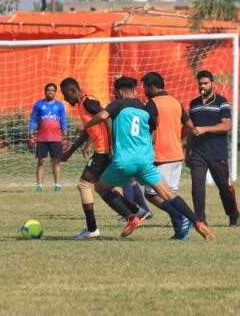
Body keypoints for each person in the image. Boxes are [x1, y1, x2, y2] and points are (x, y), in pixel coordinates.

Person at [82, 76, 215, 240]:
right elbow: (152, 131)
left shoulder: (118, 104)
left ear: (119, 92)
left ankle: (131, 217)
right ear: (135, 90)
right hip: (146, 161)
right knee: (167, 193)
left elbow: (103, 116)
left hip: (125, 160)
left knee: (101, 187)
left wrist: (85, 126)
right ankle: (197, 222)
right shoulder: (144, 108)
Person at [141, 71, 194, 240]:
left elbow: (149, 130)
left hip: (161, 155)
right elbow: (190, 125)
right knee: (169, 194)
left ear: (152, 87)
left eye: (145, 88)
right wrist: (176, 138)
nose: (144, 91)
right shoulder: (175, 101)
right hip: (176, 154)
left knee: (152, 194)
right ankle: (180, 232)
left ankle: (183, 217)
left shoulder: (153, 104)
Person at [59, 78, 113, 240]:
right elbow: (87, 131)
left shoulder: (88, 102)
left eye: (65, 94)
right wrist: (70, 151)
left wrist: (112, 146)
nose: (65, 99)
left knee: (84, 185)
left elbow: (106, 117)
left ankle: (92, 228)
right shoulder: (83, 104)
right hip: (101, 149)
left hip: (103, 151)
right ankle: (135, 212)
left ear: (73, 91)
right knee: (109, 186)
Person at [187, 70, 240, 226]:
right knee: (197, 187)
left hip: (218, 153)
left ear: (212, 83)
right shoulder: (194, 104)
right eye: (200, 84)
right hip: (198, 153)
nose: (202, 86)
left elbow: (226, 125)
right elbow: (191, 129)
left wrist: (205, 129)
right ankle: (200, 220)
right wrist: (187, 152)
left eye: (205, 83)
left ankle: (233, 214)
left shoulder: (221, 102)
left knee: (224, 188)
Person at [29, 83, 68, 193]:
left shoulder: (59, 105)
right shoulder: (39, 104)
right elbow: (33, 120)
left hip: (56, 138)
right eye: (48, 90)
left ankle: (57, 185)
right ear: (45, 91)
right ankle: (40, 186)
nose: (50, 92)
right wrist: (31, 132)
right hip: (42, 138)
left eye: (52, 90)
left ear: (55, 92)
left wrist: (65, 135)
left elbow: (63, 120)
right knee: (41, 162)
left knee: (56, 162)